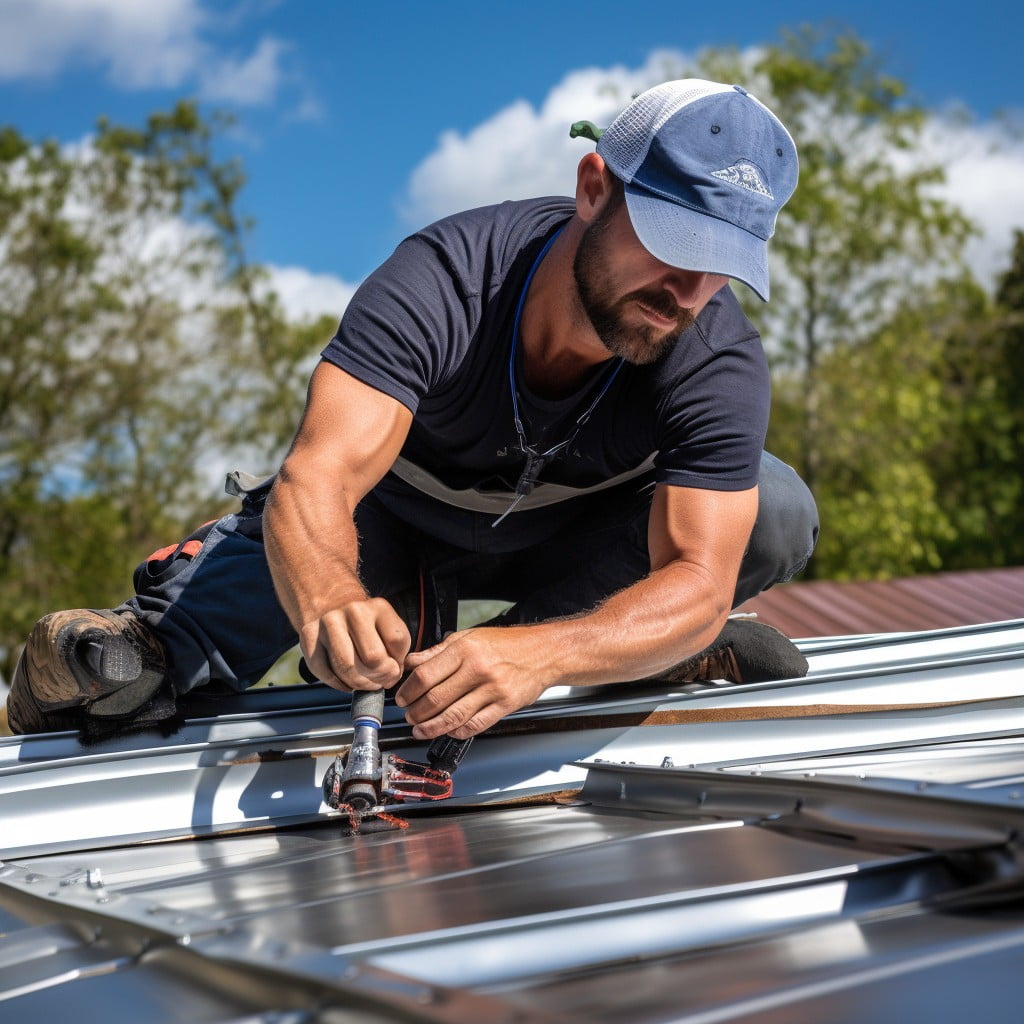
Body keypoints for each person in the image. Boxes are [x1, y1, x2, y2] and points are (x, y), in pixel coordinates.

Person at [6, 79, 818, 742]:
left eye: (721, 266)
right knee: (125, 672)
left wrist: (538, 654)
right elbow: (317, 479)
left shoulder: (714, 353)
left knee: (772, 507)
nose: (686, 291)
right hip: (384, 528)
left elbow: (701, 580)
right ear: (593, 188)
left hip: (570, 549)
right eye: (672, 242)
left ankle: (608, 656)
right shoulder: (443, 281)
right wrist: (329, 602)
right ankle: (146, 647)